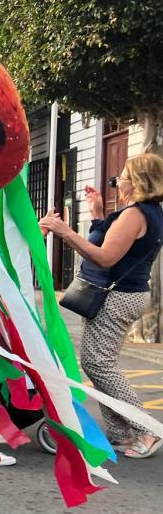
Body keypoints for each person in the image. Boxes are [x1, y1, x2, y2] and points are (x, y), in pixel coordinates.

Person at [42, 152, 163, 458]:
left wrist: (64, 232)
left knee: (98, 364)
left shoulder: (135, 215)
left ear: (137, 181)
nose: (117, 181)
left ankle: (147, 429)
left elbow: (105, 257)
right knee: (99, 363)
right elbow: (110, 244)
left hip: (116, 296)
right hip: (119, 294)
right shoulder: (146, 212)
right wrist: (97, 214)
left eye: (122, 177)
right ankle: (120, 432)